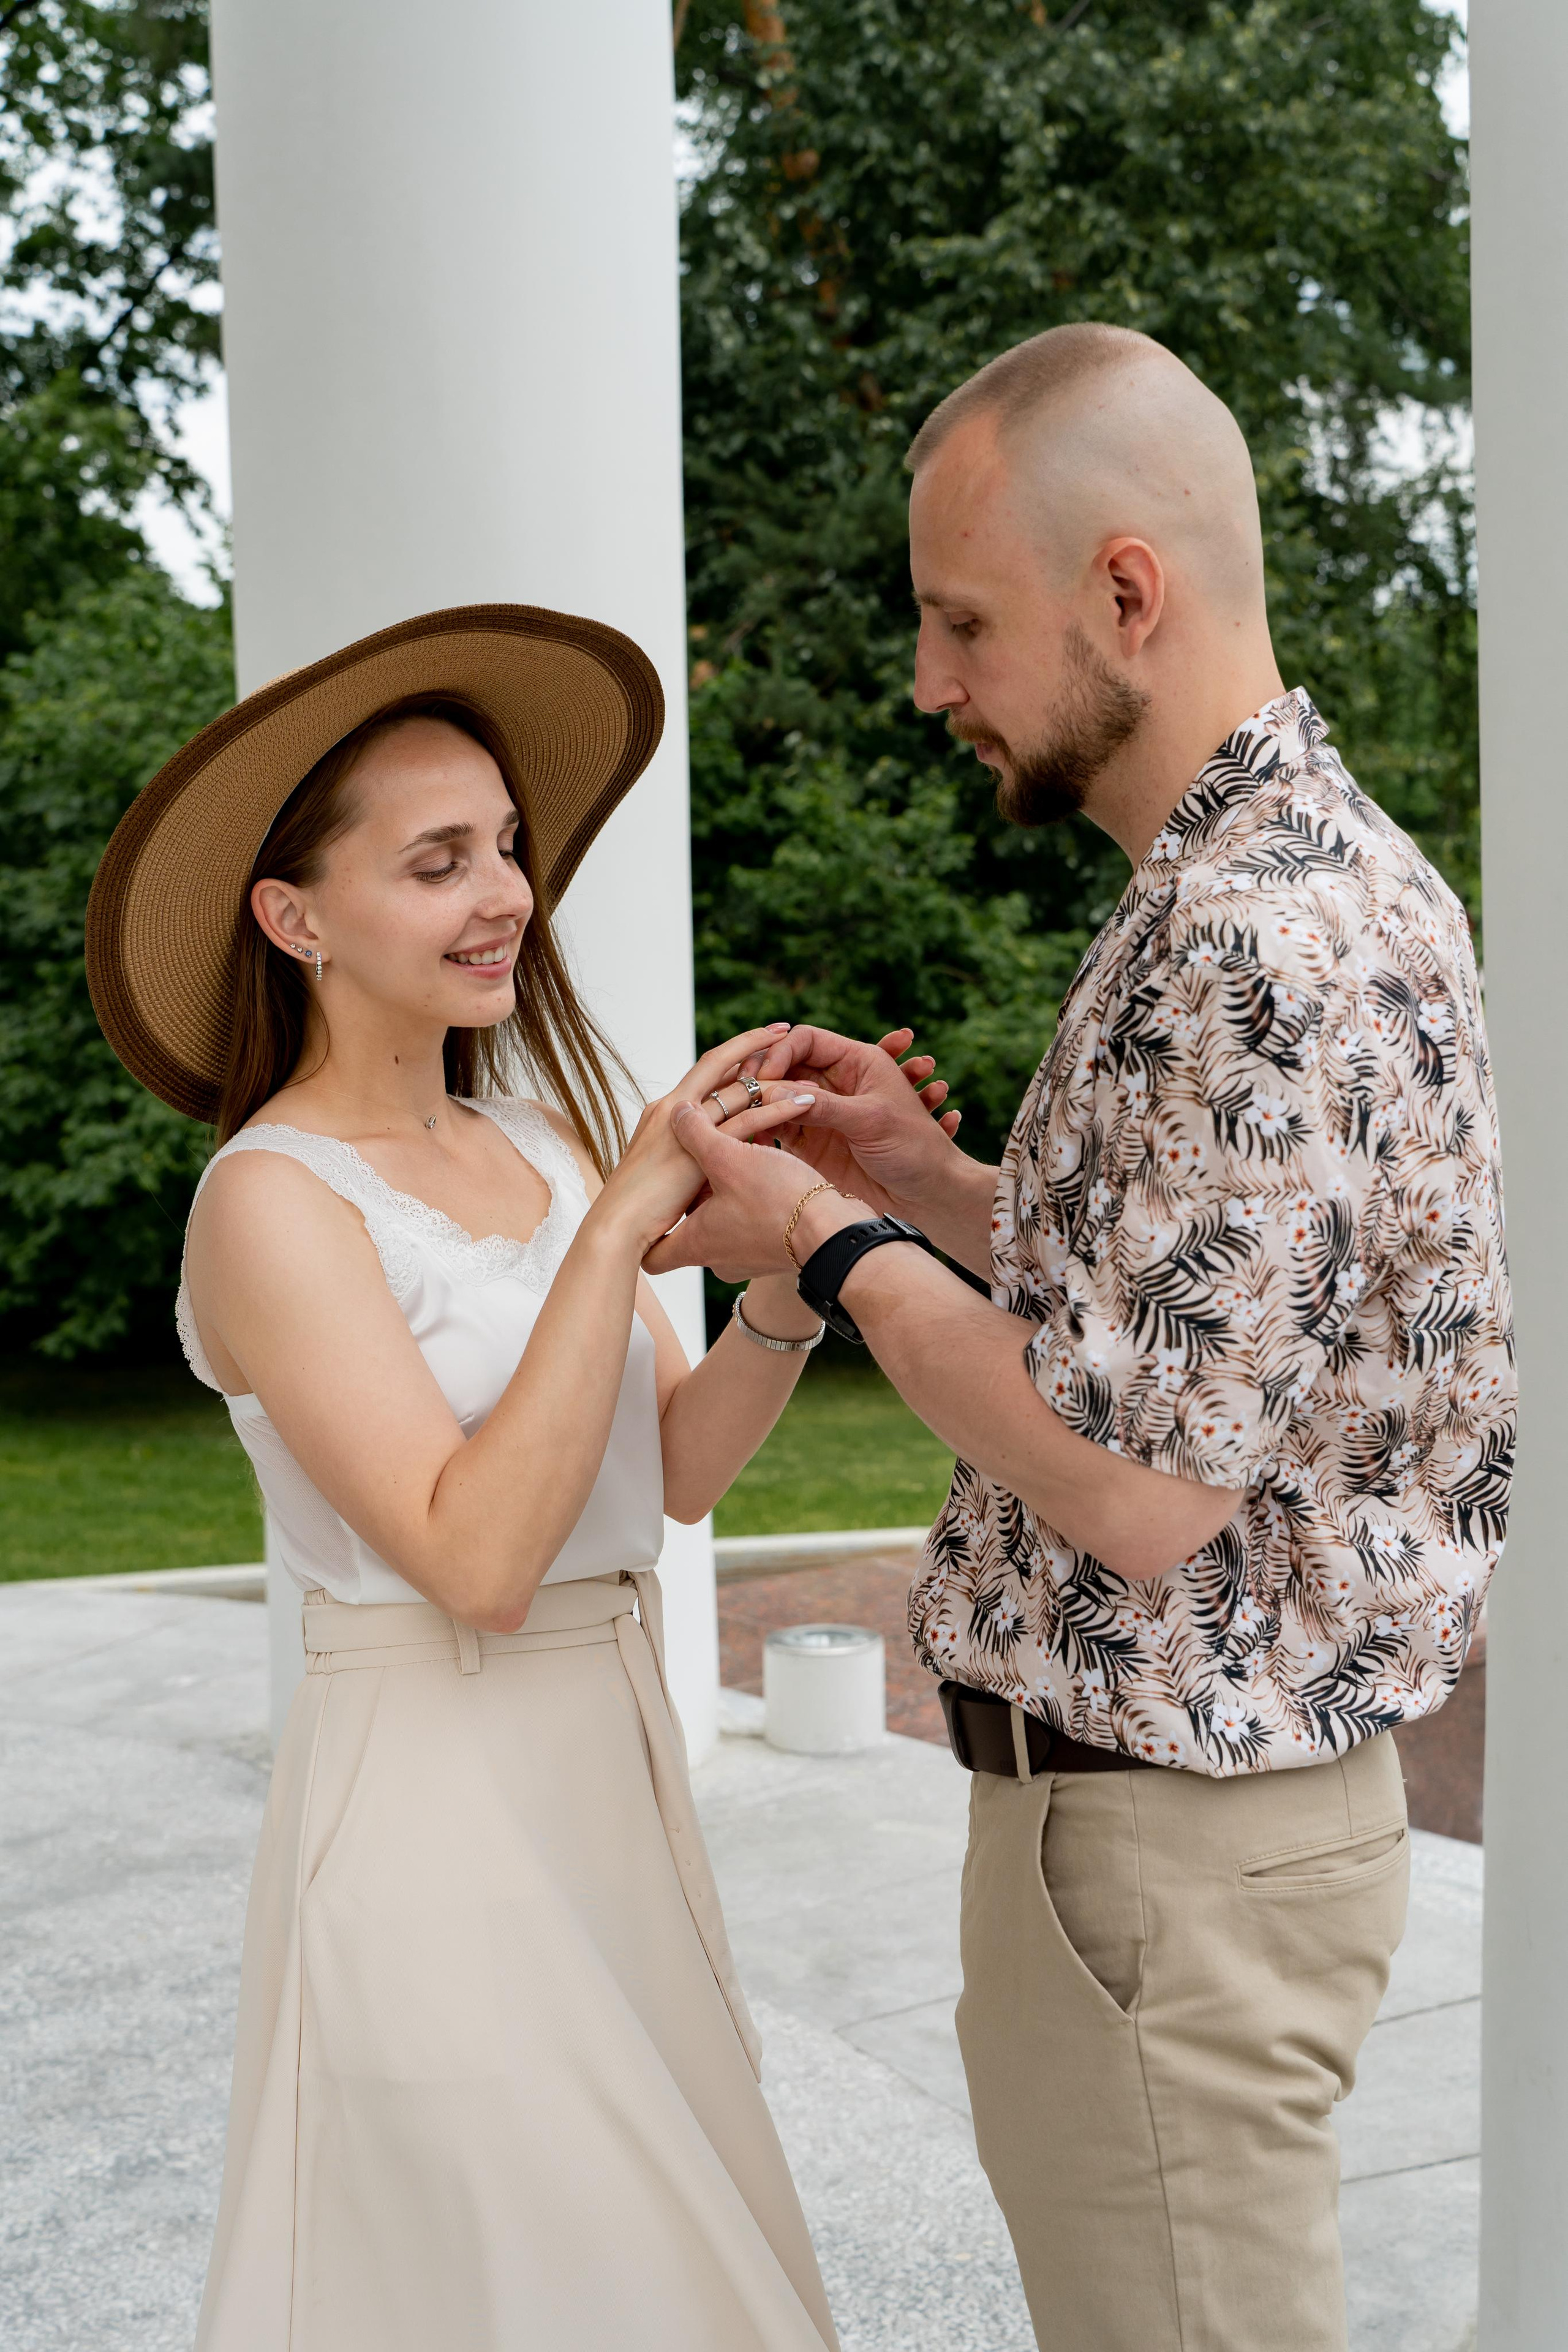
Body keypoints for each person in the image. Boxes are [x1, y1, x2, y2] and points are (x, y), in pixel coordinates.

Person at [646, 325, 1515, 2352]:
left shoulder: (1243, 942)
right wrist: (942, 1192)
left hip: (1165, 1863)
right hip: (1207, 1844)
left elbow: (1132, 1488)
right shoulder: (1314, 877)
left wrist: (825, 1236)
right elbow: (1206, 1335)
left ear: (1127, 590)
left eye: (960, 621)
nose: (929, 679)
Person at [84, 606, 839, 2352]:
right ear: (296, 919)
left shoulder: (535, 1140)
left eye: (505, 846)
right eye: (436, 861)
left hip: (610, 1783)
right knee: (535, 2281)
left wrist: (791, 1277)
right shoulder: (269, 1203)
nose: (503, 892)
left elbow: (672, 1473)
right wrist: (628, 1222)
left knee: (659, 2273)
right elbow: (474, 1558)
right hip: (435, 1806)